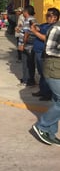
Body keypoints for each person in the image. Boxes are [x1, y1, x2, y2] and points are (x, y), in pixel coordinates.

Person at [32, 12, 60, 146]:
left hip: (58, 69)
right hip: (53, 69)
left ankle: (51, 132)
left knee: (56, 100)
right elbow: (49, 49)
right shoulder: (57, 29)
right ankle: (42, 126)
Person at [30, 8, 60, 101]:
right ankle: (43, 90)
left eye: (49, 16)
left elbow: (45, 38)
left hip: (46, 54)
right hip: (38, 51)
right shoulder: (46, 25)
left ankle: (47, 93)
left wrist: (35, 32)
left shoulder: (55, 28)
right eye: (46, 15)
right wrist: (34, 26)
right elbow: (39, 28)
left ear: (55, 17)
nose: (47, 17)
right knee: (41, 73)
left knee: (46, 74)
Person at [17, 5, 37, 86]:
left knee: (26, 64)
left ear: (26, 12)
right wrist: (20, 29)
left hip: (27, 45)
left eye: (24, 12)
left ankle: (27, 80)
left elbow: (26, 34)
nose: (23, 13)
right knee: (31, 63)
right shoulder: (33, 19)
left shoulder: (28, 20)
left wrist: (23, 44)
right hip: (31, 46)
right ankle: (30, 79)